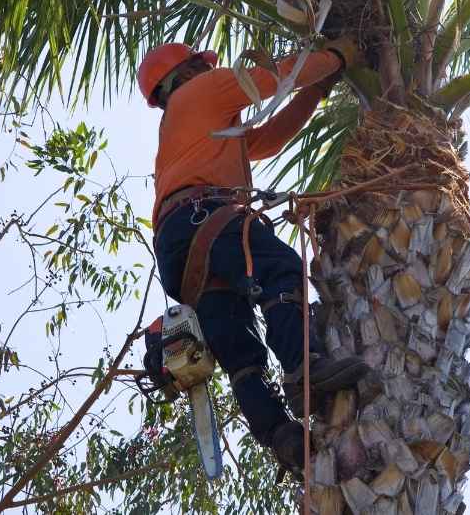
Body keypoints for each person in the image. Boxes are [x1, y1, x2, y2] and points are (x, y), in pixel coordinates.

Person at [141, 39, 369, 471]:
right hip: (202, 217)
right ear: (186, 73)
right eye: (203, 65)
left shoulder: (191, 124)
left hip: (179, 248)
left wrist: (319, 89)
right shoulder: (202, 92)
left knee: (240, 349)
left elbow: (269, 140)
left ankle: (280, 435)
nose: (211, 70)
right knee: (280, 269)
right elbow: (273, 78)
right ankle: (303, 366)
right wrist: (338, 56)